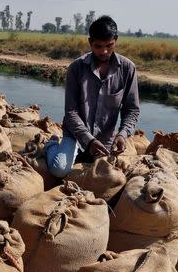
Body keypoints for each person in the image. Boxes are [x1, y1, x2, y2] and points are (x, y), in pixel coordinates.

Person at [46, 15, 140, 178]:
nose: (104, 51)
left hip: (105, 139)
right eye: (98, 46)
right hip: (76, 134)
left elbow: (131, 109)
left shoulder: (127, 68)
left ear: (115, 40)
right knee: (59, 169)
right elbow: (71, 112)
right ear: (90, 43)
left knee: (111, 177)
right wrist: (88, 140)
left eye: (109, 45)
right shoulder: (76, 68)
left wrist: (123, 134)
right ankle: (51, 145)